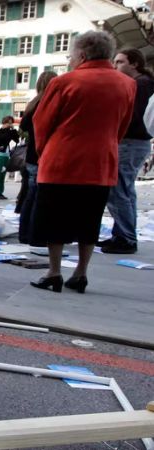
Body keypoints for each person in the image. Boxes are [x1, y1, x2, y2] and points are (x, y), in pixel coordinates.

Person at [30, 31, 135, 294]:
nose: (70, 59)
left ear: (82, 54)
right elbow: (122, 125)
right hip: (101, 162)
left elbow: (42, 123)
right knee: (89, 219)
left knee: (54, 219)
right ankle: (81, 273)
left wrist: (44, 152)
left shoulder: (65, 82)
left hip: (62, 160)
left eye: (71, 54)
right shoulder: (126, 84)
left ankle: (54, 272)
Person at [100, 48, 154, 254]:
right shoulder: (143, 83)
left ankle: (125, 237)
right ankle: (122, 234)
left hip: (130, 141)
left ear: (134, 64)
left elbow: (131, 116)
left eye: (120, 62)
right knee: (125, 189)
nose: (116, 66)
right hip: (136, 142)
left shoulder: (139, 85)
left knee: (118, 189)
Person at [17, 71, 58, 244]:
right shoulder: (48, 103)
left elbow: (25, 126)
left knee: (31, 194)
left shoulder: (33, 103)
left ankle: (25, 232)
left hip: (33, 154)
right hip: (43, 154)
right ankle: (34, 234)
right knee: (39, 196)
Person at [0, 116, 20, 200]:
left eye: (11, 123)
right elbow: (3, 139)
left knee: (2, 175)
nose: (10, 124)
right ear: (5, 122)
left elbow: (17, 140)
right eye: (9, 122)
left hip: (6, 155)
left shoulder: (10, 131)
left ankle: (0, 192)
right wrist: (8, 130)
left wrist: (13, 130)